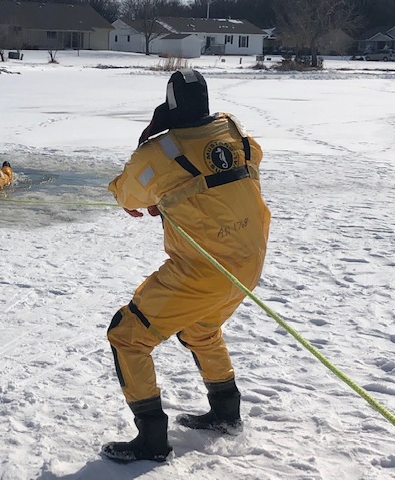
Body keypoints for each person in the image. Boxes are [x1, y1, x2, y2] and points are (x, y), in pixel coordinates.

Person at [102, 69, 271, 463]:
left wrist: (156, 187)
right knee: (201, 329)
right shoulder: (231, 129)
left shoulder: (159, 152)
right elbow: (251, 157)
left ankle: (151, 441)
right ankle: (226, 413)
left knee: (127, 335)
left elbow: (126, 191)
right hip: (249, 260)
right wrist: (178, 192)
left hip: (204, 268)